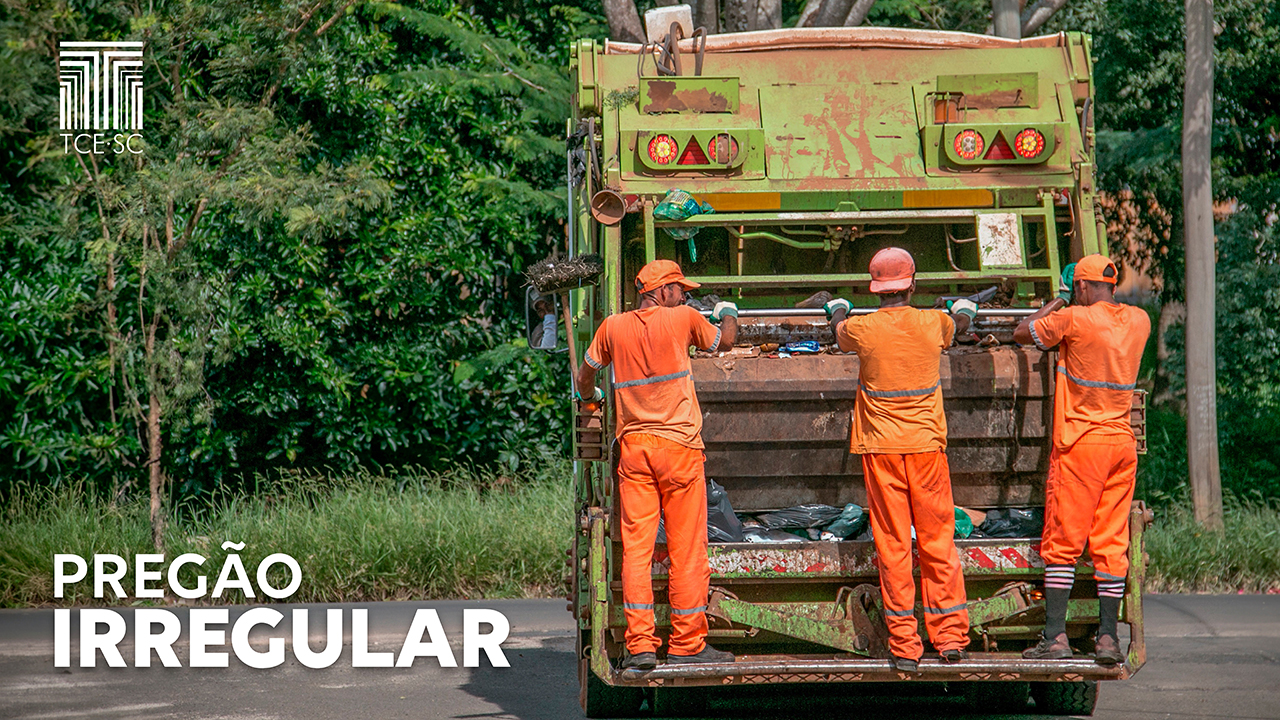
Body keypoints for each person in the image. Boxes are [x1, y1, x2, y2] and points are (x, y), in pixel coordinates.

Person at [574, 259, 739, 670]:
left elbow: (584, 378)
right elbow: (726, 343)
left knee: (636, 551)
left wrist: (592, 401)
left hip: (634, 451)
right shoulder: (683, 318)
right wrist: (728, 313)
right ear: (662, 291)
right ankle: (686, 644)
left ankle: (641, 646)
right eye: (679, 289)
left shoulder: (612, 327)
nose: (684, 295)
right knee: (686, 550)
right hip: (680, 450)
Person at [824, 247, 977, 674]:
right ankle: (949, 638)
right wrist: (966, 308)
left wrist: (836, 309)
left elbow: (839, 332)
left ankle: (905, 646)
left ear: (875, 289)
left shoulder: (863, 329)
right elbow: (960, 326)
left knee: (893, 547)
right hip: (926, 450)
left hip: (881, 452)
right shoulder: (934, 323)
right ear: (913, 284)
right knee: (937, 543)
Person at [1013, 254, 1150, 666]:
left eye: (1078, 288)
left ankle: (1055, 636)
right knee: (1111, 543)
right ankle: (1107, 639)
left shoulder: (1072, 319)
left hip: (1082, 445)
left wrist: (1057, 300)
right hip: (1121, 445)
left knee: (1063, 543)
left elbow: (1023, 332)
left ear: (1084, 287)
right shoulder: (1140, 320)